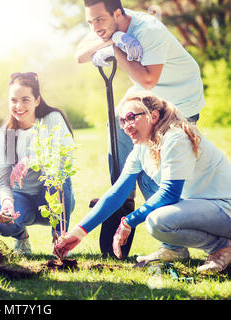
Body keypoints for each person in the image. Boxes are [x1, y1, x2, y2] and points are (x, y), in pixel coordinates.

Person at [75, 0, 205, 257]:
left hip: (181, 99)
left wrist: (116, 48)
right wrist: (112, 39)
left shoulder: (149, 30)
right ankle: (123, 199)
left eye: (99, 20)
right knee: (118, 123)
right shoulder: (105, 25)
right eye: (90, 22)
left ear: (118, 13)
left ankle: (174, 244)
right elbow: (80, 55)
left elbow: (147, 79)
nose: (94, 27)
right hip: (151, 95)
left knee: (152, 168)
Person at [54, 92, 231, 273]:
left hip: (225, 208)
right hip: (204, 207)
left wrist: (128, 222)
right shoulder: (142, 148)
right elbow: (117, 193)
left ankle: (221, 247)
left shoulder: (175, 138)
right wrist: (79, 232)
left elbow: (170, 193)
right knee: (147, 184)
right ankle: (174, 249)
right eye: (122, 121)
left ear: (153, 116)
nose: (125, 126)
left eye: (131, 117)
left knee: (157, 221)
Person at [0, 72, 76, 255]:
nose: (18, 106)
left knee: (57, 176)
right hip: (22, 199)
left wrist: (31, 160)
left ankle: (59, 241)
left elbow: (63, 159)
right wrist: (7, 203)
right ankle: (21, 238)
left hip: (52, 197)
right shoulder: (7, 135)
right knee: (0, 223)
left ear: (37, 100)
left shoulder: (51, 119)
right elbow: (4, 181)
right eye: (13, 100)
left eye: (25, 99)